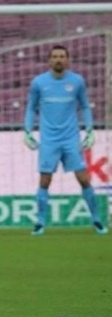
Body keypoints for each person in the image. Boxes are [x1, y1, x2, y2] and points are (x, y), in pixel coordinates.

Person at [23, 45, 107, 236]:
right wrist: (27, 131)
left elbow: (85, 106)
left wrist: (90, 130)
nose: (58, 59)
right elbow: (31, 108)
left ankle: (96, 220)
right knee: (44, 180)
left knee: (84, 179)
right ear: (49, 60)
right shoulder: (38, 83)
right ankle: (40, 222)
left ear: (67, 60)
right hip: (49, 140)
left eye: (62, 56)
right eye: (55, 56)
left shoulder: (77, 81)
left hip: (71, 138)